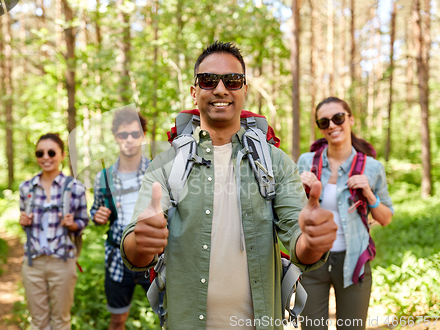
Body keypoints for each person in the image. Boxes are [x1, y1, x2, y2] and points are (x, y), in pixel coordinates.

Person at [120, 41, 338, 330]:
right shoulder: (165, 165)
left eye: (233, 81)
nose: (221, 89)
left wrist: (313, 241)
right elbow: (136, 251)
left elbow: (300, 246)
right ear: (194, 92)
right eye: (208, 80)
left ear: (245, 90)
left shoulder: (276, 163)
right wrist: (142, 241)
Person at [297, 97, 394, 330]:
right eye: (324, 121)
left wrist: (370, 195)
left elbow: (385, 218)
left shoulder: (372, 167)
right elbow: (292, 215)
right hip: (312, 261)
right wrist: (298, 189)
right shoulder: (306, 162)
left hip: (354, 263)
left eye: (338, 118)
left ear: (350, 119)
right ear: (320, 128)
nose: (332, 125)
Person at [19, 133, 89, 330]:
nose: (46, 157)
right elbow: (27, 226)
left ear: (62, 155)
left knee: (61, 320)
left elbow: (83, 222)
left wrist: (73, 224)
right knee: (37, 322)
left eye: (51, 152)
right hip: (33, 263)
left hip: (63, 262)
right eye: (40, 153)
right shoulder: (26, 188)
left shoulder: (75, 188)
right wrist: (23, 221)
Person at [90, 109, 151, 330]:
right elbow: (96, 212)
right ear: (116, 137)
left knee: (169, 316)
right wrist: (97, 217)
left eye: (135, 134)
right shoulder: (104, 177)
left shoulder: (157, 171)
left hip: (153, 257)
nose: (129, 140)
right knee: (117, 320)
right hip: (116, 258)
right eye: (123, 135)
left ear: (143, 136)